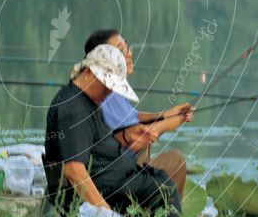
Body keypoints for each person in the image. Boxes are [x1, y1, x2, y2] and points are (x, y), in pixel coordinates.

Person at [43, 44, 182, 217]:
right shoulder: (73, 109)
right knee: (163, 193)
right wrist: (105, 214)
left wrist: (127, 136)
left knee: (161, 183)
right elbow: (74, 171)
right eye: (106, 85)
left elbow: (98, 144)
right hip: (104, 192)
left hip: (116, 181)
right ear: (88, 73)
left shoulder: (89, 102)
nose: (109, 92)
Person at [83, 29, 195, 199]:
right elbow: (134, 139)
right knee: (176, 160)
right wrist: (170, 122)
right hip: (116, 178)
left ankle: (162, 215)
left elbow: (133, 116)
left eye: (126, 47)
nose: (129, 53)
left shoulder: (111, 88)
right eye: (120, 51)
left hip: (127, 168)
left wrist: (168, 114)